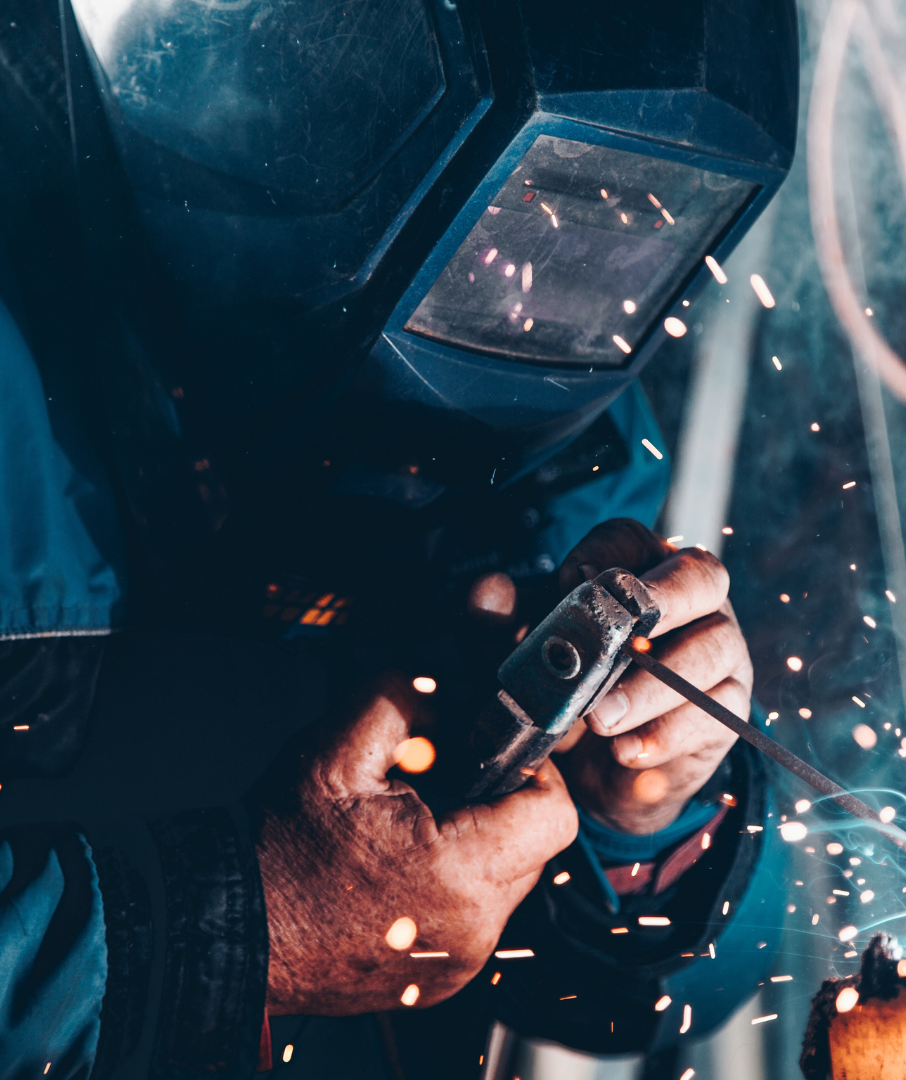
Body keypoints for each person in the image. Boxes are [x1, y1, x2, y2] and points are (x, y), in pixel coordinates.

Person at [0, 0, 799, 1076]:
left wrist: (644, 822)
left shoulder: (549, 402)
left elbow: (628, 1000)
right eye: (525, 224)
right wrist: (223, 936)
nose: (536, 285)